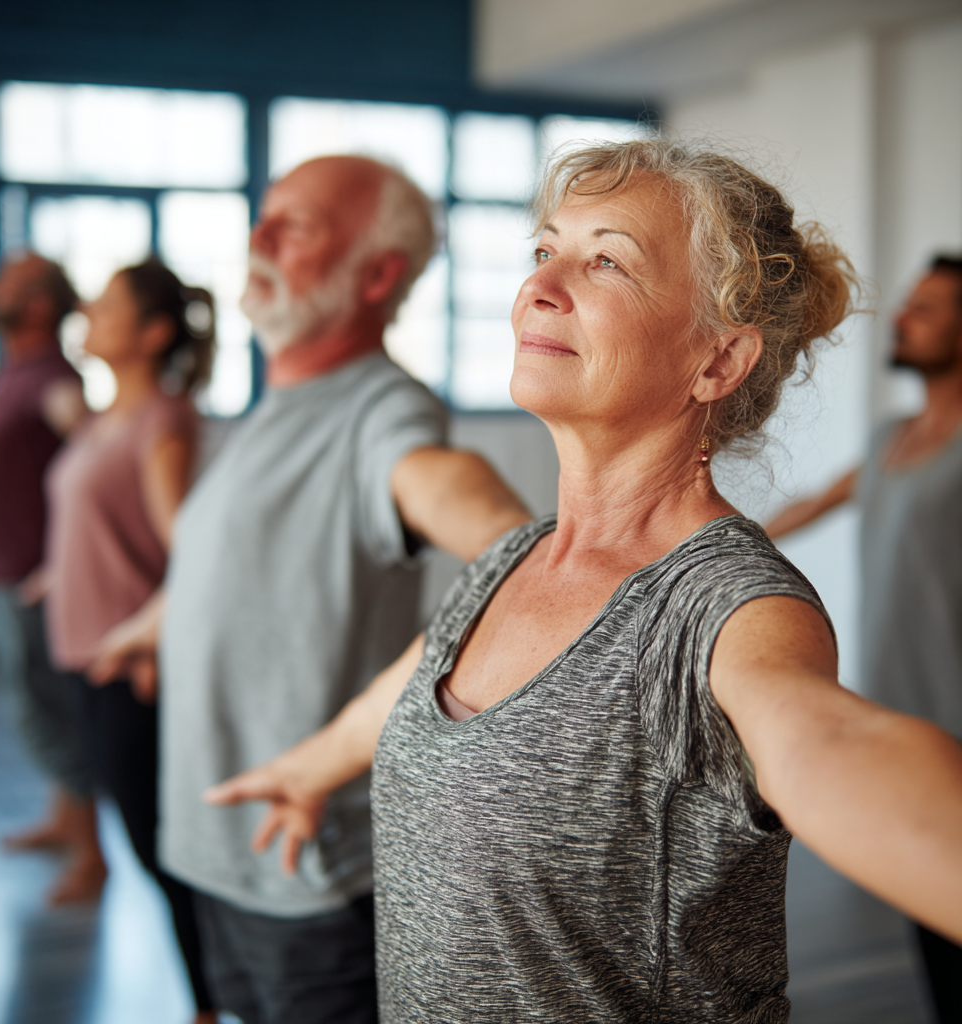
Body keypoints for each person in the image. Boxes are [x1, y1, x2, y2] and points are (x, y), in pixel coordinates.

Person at [208, 140, 962, 1023]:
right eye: (544, 251)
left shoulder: (726, 609)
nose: (541, 285)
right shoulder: (510, 561)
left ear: (717, 360)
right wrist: (308, 767)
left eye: (606, 259)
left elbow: (824, 741)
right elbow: (412, 685)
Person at [90, 155, 532, 1024]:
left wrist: (516, 540)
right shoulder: (278, 402)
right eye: (264, 217)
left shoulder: (382, 412)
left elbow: (510, 551)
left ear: (376, 275)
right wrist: (159, 622)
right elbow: (245, 557)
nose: (259, 238)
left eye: (295, 226)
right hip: (222, 847)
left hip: (307, 870)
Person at [764, 253, 962, 1023]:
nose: (904, 317)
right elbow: (814, 502)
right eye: (907, 304)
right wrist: (699, 545)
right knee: (934, 941)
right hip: (904, 717)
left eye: (930, 308)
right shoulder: (892, 437)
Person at [43, 259, 218, 1023]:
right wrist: (60, 574)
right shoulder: (106, 419)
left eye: (107, 305)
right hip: (83, 649)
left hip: (130, 664)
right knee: (149, 840)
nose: (87, 310)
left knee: (160, 848)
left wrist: (152, 637)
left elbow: (191, 549)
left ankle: (213, 1003)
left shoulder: (160, 423)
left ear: (151, 334)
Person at [0, 251, 105, 904]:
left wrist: (61, 563)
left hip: (29, 581)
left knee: (45, 709)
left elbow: (96, 452)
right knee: (41, 702)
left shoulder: (52, 379)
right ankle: (63, 819)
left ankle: (91, 853)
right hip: (0, 573)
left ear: (42, 304)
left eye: (13, 283)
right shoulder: (16, 371)